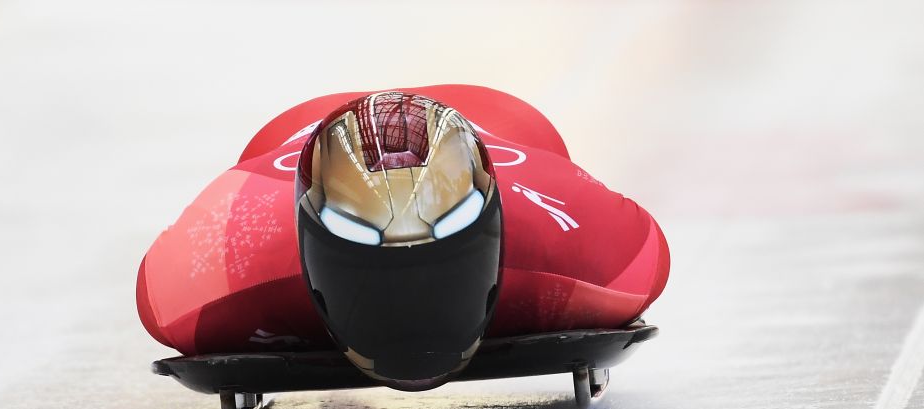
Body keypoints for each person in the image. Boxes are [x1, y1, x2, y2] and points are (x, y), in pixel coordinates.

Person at [137, 84, 669, 390]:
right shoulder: (224, 268)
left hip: (501, 124)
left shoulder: (578, 250)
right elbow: (654, 250)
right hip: (284, 144)